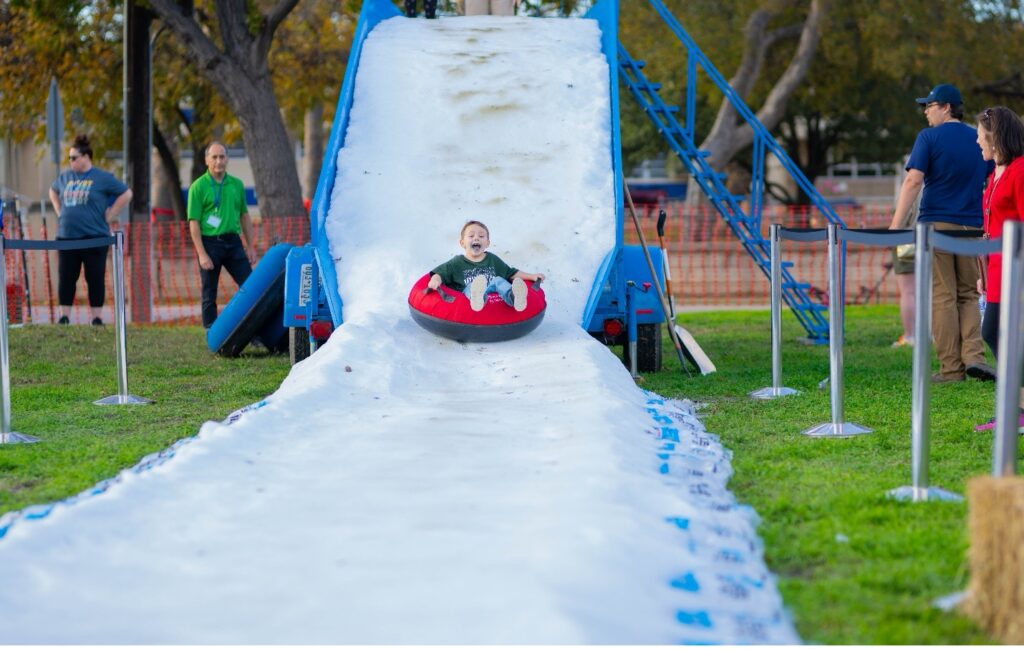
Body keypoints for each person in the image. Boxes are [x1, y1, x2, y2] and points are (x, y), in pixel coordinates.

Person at [889, 83, 995, 383]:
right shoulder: (978, 139)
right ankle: (974, 357)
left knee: (942, 296)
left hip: (936, 226)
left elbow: (913, 182)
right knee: (969, 294)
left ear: (946, 107)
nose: (926, 111)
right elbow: (988, 178)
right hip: (972, 227)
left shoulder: (929, 138)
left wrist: (896, 226)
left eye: (930, 105)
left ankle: (951, 369)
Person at [972, 107, 1024, 431]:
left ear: (995, 136)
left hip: (1016, 265)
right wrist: (983, 271)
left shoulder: (1020, 171)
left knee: (998, 333)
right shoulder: (994, 173)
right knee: (995, 333)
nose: (978, 142)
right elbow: (990, 224)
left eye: (981, 136)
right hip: (994, 266)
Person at [48, 134, 132, 326]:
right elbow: (52, 191)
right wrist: (59, 210)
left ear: (86, 157)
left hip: (95, 238)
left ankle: (96, 317)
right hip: (67, 237)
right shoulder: (65, 177)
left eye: (74, 157)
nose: (70, 161)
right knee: (67, 277)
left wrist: (111, 213)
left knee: (95, 278)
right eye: (69, 158)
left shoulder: (102, 177)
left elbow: (126, 193)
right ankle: (64, 316)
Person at [187, 142, 257, 329]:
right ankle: (211, 332)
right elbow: (194, 222)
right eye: (214, 157)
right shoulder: (198, 187)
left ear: (227, 159)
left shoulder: (236, 184)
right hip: (210, 244)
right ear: (206, 160)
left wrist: (250, 246)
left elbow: (244, 216)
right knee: (209, 292)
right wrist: (202, 254)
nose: (219, 161)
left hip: (233, 242)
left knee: (250, 287)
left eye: (222, 157)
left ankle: (255, 331)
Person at [428, 220, 544, 311]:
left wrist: (532, 276)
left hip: (491, 290)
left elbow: (511, 273)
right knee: (471, 287)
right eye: (471, 236)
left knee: (498, 280)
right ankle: (478, 299)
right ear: (462, 243)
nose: (476, 238)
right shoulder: (456, 263)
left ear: (487, 243)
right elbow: (440, 273)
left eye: (481, 236)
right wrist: (435, 279)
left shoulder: (492, 259)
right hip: (469, 293)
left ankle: (513, 297)